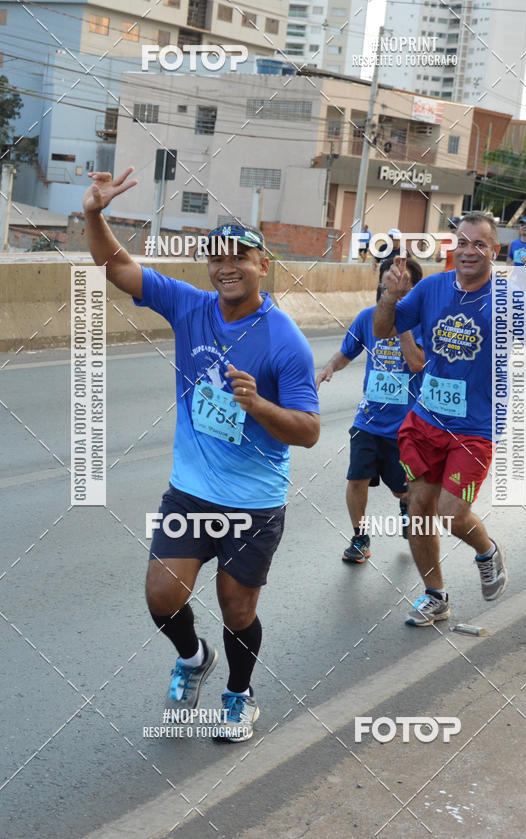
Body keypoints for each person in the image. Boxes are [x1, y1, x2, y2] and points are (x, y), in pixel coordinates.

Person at [82, 168, 320, 740]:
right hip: (191, 490)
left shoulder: (284, 339)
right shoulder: (189, 308)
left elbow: (309, 430)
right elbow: (116, 267)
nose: (227, 266)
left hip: (253, 502)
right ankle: (193, 657)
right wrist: (94, 215)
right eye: (217, 257)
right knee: (162, 595)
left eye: (241, 256)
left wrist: (259, 405)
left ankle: (239, 694)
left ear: (264, 266)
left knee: (237, 610)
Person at [373, 211, 526, 626]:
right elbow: (384, 329)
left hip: (475, 428)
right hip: (427, 420)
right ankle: (435, 595)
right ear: (452, 247)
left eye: (479, 244)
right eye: (462, 242)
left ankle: (487, 551)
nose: (469, 250)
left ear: (493, 251)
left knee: (451, 513)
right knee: (419, 508)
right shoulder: (431, 289)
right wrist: (389, 297)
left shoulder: (511, 297)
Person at [316, 258, 425, 561]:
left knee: (401, 488)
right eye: (389, 278)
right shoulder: (367, 318)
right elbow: (347, 352)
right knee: (356, 478)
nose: (394, 283)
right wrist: (328, 368)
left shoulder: (422, 322)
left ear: (413, 288)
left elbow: (417, 363)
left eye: (402, 280)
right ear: (381, 283)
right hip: (368, 420)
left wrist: (402, 323)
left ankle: (405, 504)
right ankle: (360, 537)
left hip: (405, 426)